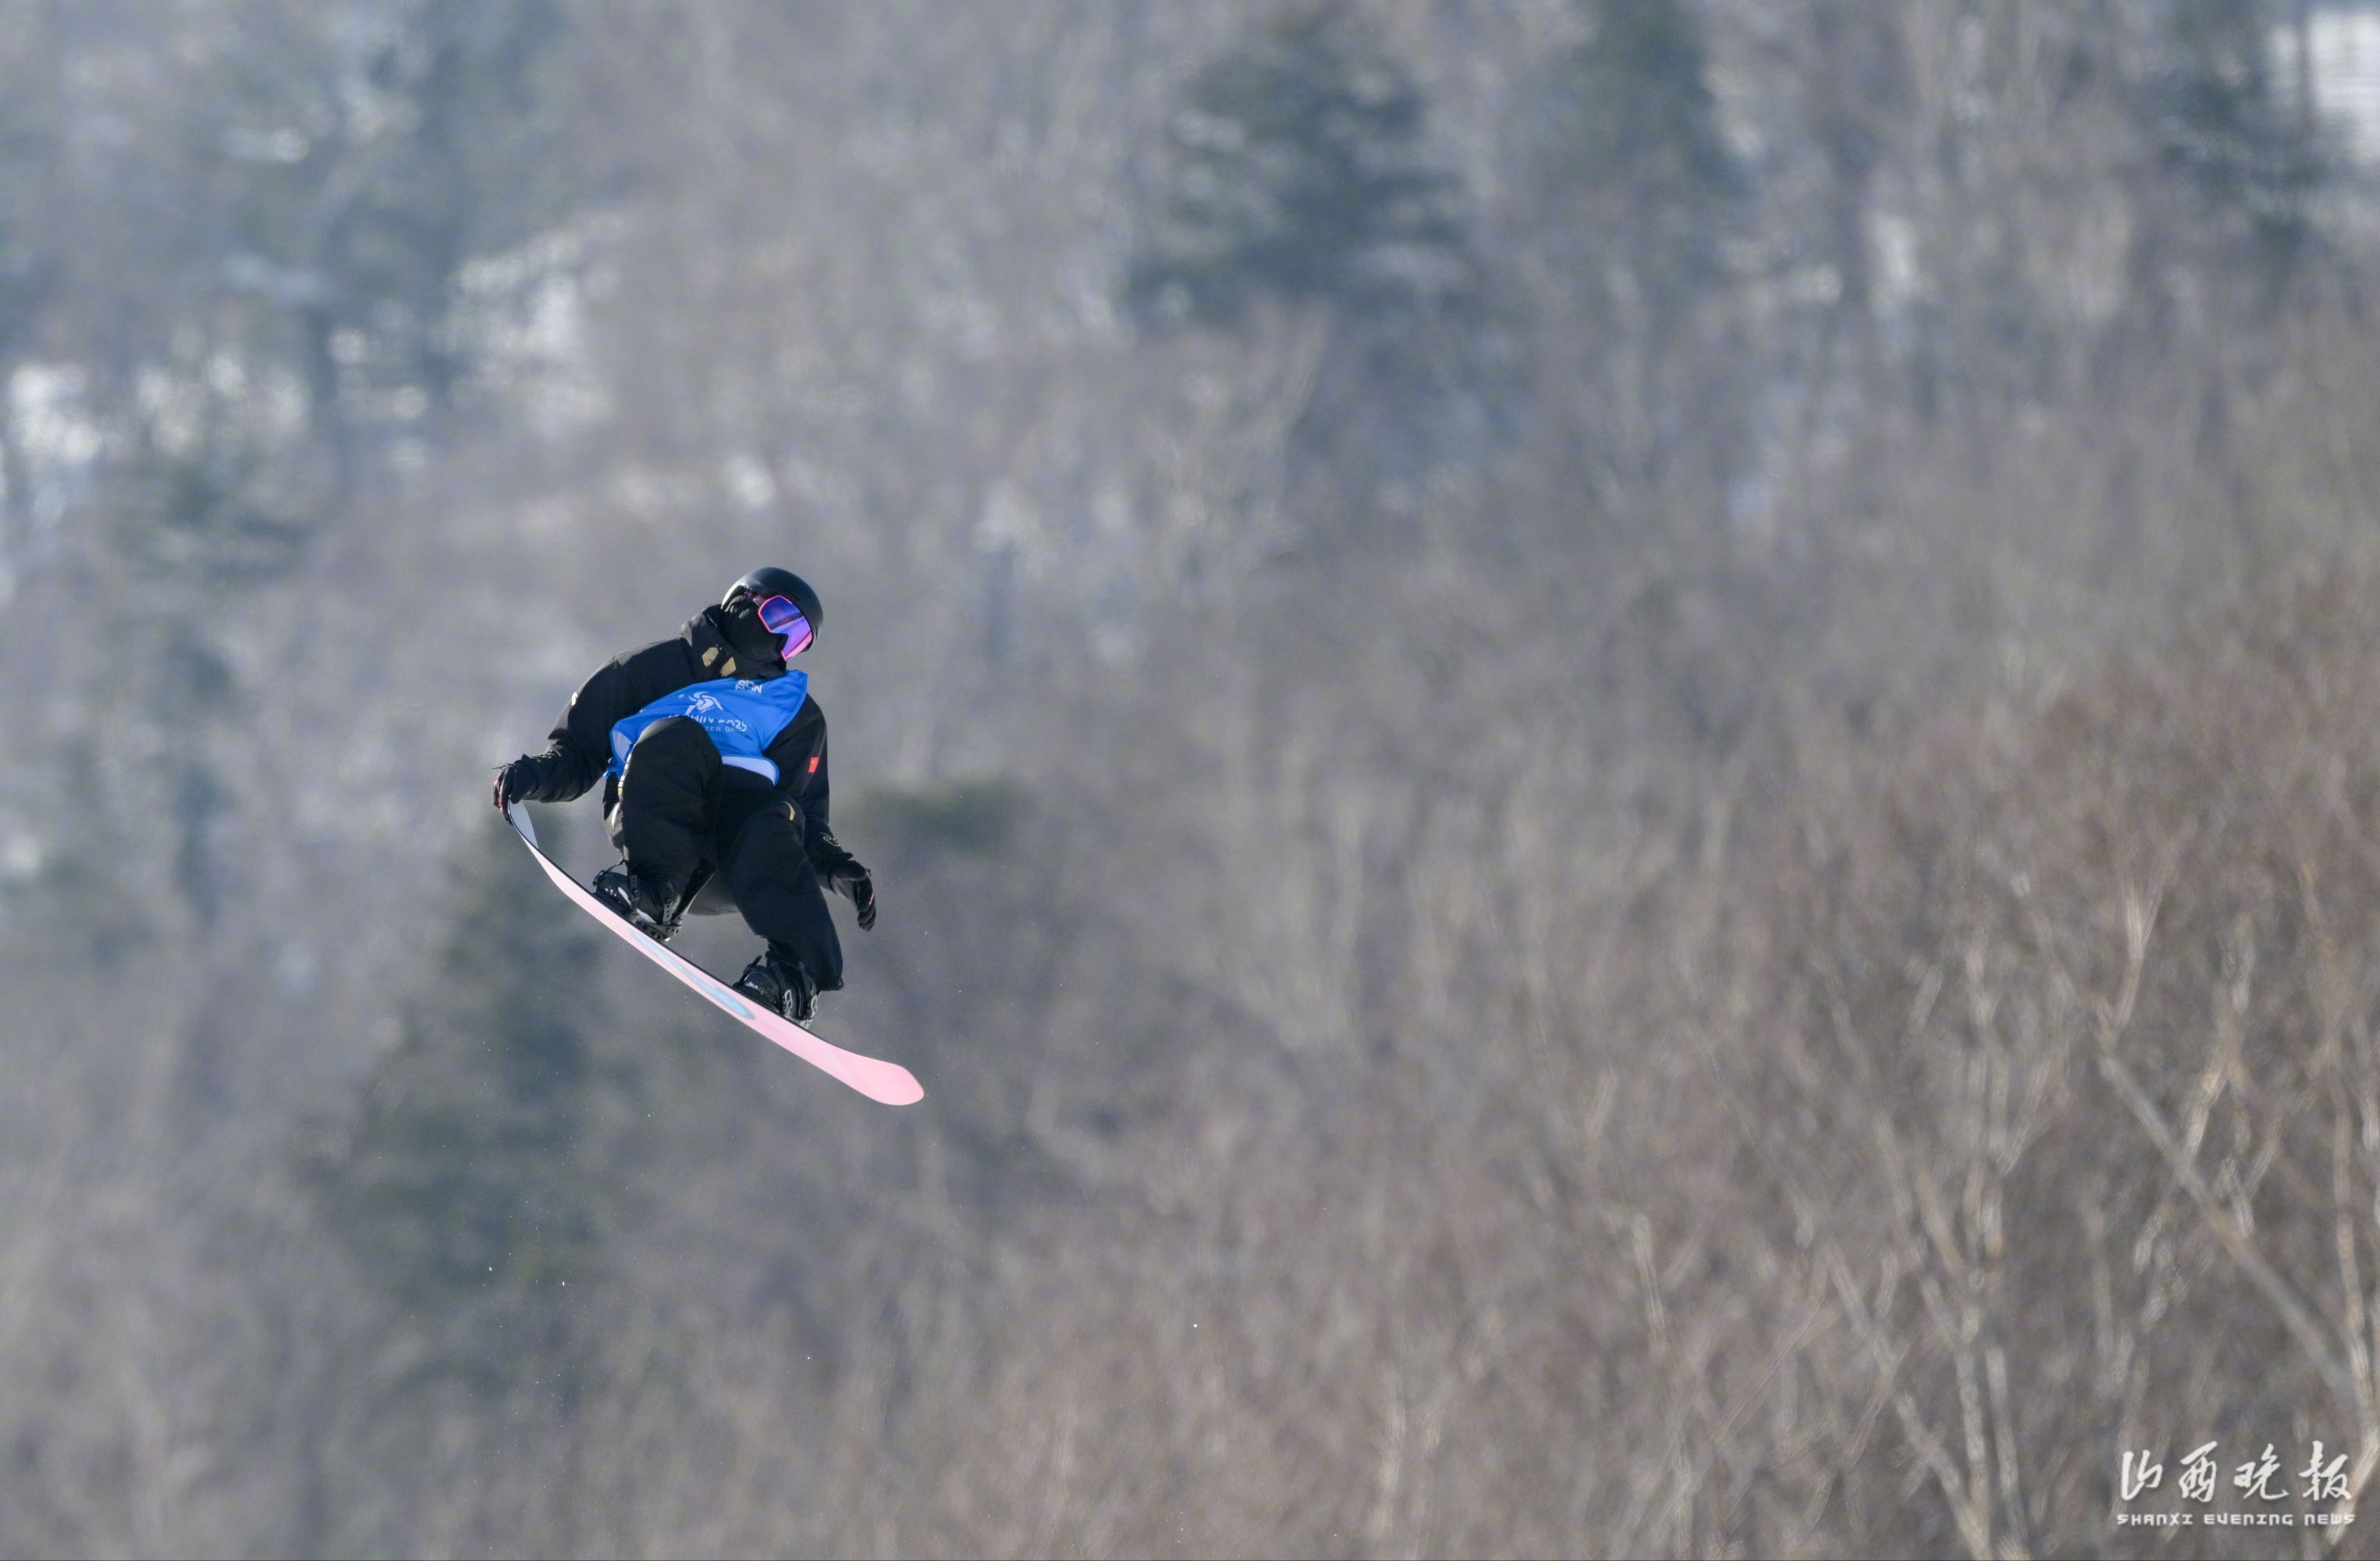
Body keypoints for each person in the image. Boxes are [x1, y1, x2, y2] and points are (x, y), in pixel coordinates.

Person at [491, 567, 876, 1022]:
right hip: (660, 827)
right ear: (741, 603)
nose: (780, 643)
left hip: (733, 860)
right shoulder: (648, 671)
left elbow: (806, 816)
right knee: (676, 738)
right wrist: (533, 775)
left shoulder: (795, 712)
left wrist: (836, 867)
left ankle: (793, 976)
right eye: (780, 619)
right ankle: (653, 894)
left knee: (772, 813)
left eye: (796, 641)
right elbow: (577, 752)